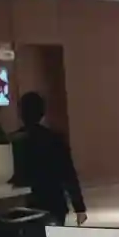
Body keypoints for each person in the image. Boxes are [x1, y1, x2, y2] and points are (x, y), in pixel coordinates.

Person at [10, 92, 87, 227]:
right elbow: (68, 174)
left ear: (20, 114)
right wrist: (79, 207)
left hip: (25, 204)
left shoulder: (14, 141)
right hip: (54, 203)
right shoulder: (55, 139)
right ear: (42, 113)